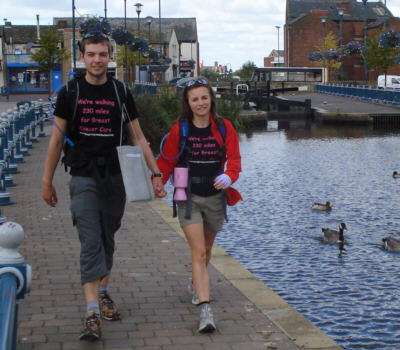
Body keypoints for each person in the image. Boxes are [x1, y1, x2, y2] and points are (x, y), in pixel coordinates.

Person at [41, 29, 166, 341]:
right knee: (90, 240)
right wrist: (46, 181)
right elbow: (57, 140)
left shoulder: (120, 92)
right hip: (83, 176)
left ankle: (105, 292)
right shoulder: (70, 92)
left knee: (108, 239)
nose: (97, 60)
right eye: (91, 54)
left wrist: (156, 173)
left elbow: (137, 136)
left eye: (102, 54)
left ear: (110, 57)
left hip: (115, 177)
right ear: (82, 57)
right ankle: (92, 312)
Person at [157, 77, 242, 333]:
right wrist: (159, 183)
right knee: (199, 253)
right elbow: (166, 160)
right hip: (189, 197)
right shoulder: (180, 129)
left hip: (215, 197)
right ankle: (206, 309)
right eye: (195, 99)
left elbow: (235, 160)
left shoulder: (224, 127)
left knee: (207, 248)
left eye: (204, 97)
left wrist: (230, 175)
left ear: (211, 99)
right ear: (188, 103)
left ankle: (196, 283)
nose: (200, 103)